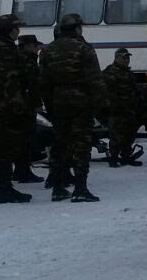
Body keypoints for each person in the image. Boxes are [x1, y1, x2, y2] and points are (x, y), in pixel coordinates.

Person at [39, 13, 106, 202]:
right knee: (82, 145)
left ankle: (58, 187)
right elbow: (95, 79)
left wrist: (49, 104)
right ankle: (80, 188)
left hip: (58, 103)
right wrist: (100, 104)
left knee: (60, 144)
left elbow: (43, 82)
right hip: (81, 103)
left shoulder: (47, 50)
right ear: (77, 28)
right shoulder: (84, 48)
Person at [0, 15, 34, 204]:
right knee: (4, 146)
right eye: (17, 28)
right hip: (5, 105)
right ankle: (4, 189)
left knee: (2, 146)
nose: (18, 32)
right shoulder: (3, 48)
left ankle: (5, 187)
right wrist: (18, 104)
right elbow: (9, 79)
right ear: (11, 30)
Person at [13, 34, 46, 183]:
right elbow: (32, 86)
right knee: (25, 139)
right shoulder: (28, 62)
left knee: (20, 139)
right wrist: (37, 104)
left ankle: (20, 170)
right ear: (26, 46)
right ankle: (23, 171)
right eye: (35, 46)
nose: (38, 49)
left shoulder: (16, 59)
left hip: (18, 105)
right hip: (26, 106)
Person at [102, 48, 141, 167]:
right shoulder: (110, 72)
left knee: (129, 133)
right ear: (117, 58)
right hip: (117, 109)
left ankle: (126, 156)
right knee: (116, 134)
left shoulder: (128, 73)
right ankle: (113, 157)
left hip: (129, 108)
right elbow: (108, 92)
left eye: (128, 58)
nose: (126, 60)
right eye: (124, 57)